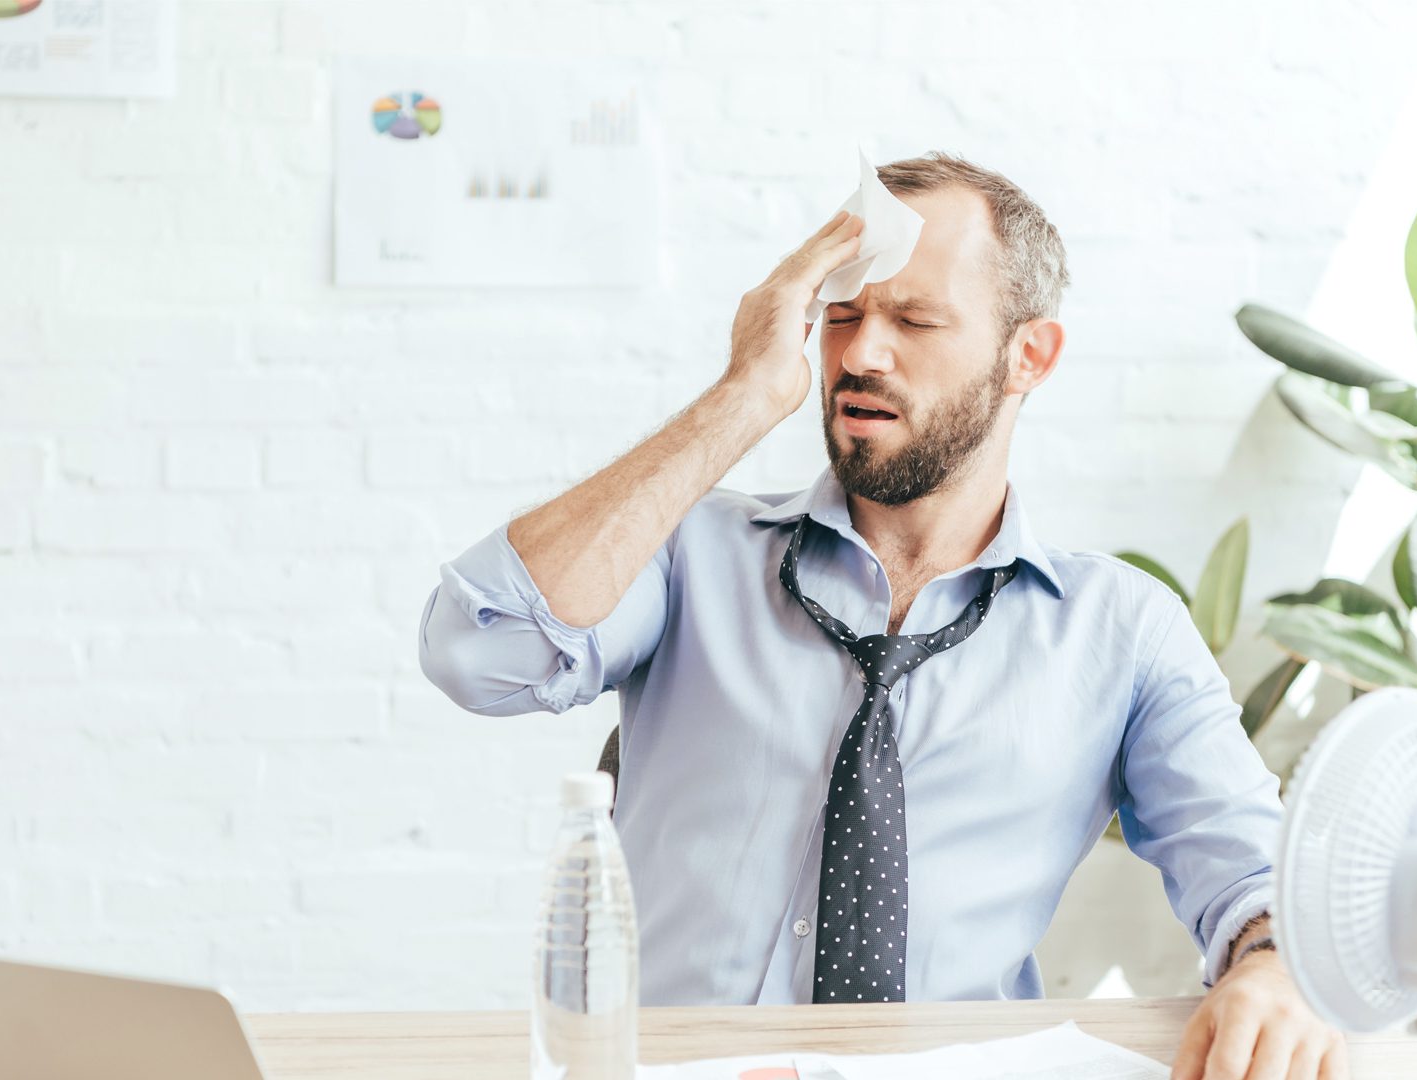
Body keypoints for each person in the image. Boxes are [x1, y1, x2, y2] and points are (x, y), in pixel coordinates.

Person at [419, 152, 1348, 1080]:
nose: (861, 353)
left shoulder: (1121, 631)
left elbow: (1255, 875)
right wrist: (739, 399)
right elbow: (477, 650)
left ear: (1030, 355)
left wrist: (1273, 967)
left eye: (915, 319)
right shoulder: (687, 553)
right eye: (842, 314)